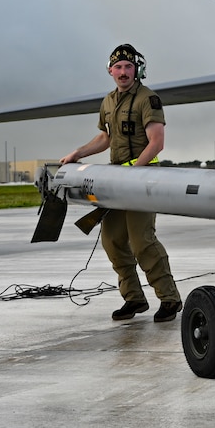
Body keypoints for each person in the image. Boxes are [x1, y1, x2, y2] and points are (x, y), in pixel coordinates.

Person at [59, 43, 182, 323]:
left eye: (128, 66)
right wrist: (77, 153)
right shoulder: (108, 101)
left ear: (137, 70)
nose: (123, 72)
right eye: (118, 67)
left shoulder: (147, 99)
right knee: (112, 241)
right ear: (110, 71)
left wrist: (134, 173)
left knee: (142, 242)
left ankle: (169, 299)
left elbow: (157, 143)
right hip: (116, 180)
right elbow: (105, 138)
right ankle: (134, 299)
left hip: (142, 180)